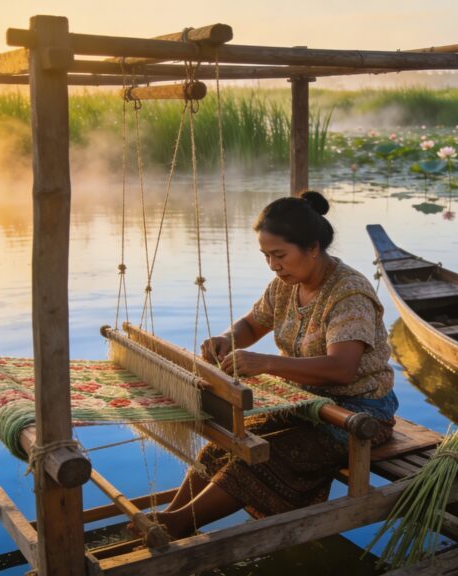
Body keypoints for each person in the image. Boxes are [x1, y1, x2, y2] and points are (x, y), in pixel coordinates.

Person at [153, 190, 398, 539]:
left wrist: (266, 362)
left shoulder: (349, 294)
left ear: (312, 248)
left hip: (358, 411)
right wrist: (228, 338)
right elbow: (253, 325)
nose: (273, 265)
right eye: (266, 256)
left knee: (265, 456)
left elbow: (341, 368)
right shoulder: (284, 286)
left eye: (280, 255)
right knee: (229, 441)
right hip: (304, 401)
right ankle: (173, 515)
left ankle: (178, 526)